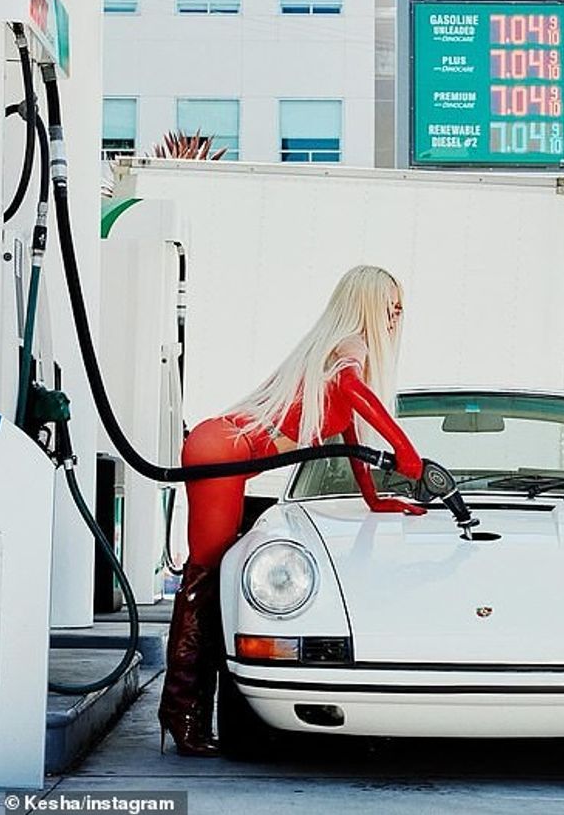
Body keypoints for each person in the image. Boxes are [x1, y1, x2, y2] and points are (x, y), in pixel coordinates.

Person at [158, 266, 426, 757]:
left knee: (213, 580)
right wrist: (405, 449)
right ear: (364, 301)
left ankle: (185, 714)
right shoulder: (350, 348)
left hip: (226, 452)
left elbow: (348, 442)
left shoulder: (343, 353)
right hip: (221, 450)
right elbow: (353, 392)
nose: (397, 313)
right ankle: (182, 715)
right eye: (389, 303)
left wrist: (376, 499)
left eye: (400, 304)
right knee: (205, 579)